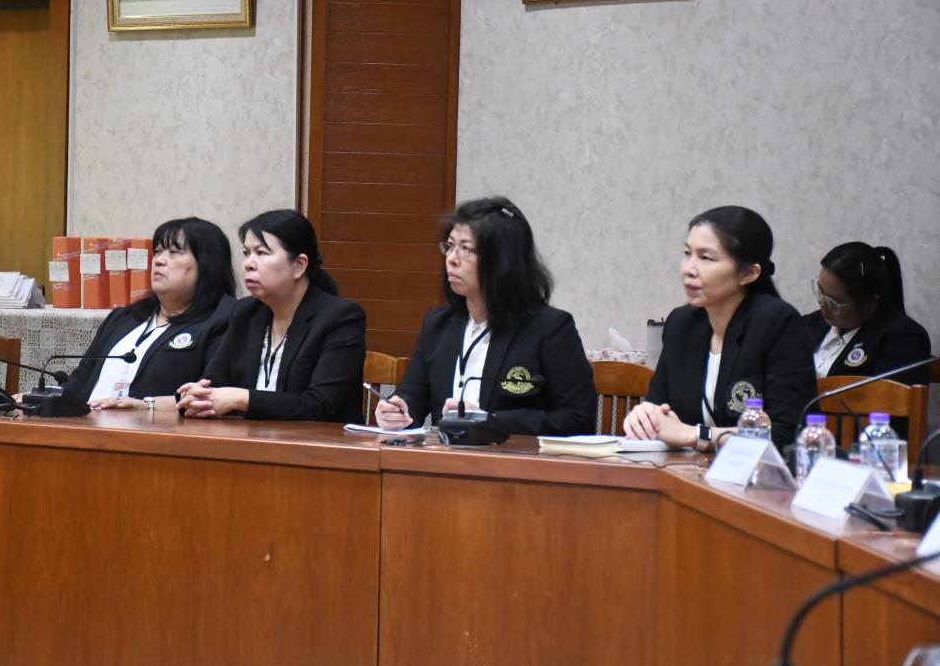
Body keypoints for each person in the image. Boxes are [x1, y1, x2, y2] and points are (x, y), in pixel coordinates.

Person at [374, 197, 596, 436]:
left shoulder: (550, 328)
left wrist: (490, 421)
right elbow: (413, 394)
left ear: (502, 260)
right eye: (450, 246)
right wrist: (398, 410)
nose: (451, 258)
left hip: (511, 458)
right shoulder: (438, 324)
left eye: (467, 249)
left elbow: (577, 419)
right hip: (444, 456)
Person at [623, 206, 815, 451]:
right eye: (687, 253)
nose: (689, 269)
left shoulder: (778, 323)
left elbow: (786, 433)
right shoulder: (681, 324)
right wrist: (645, 419)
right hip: (687, 469)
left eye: (706, 258)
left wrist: (697, 435)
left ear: (748, 273)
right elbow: (660, 409)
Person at [177, 209, 365, 422]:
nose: (248, 264)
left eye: (262, 253)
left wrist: (242, 399)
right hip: (250, 438)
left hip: (319, 441)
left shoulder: (341, 317)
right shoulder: (246, 312)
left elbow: (320, 406)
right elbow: (214, 382)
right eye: (246, 253)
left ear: (299, 265)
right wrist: (197, 396)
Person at [59, 217, 236, 411]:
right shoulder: (124, 317)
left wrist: (144, 406)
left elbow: (210, 397)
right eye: (158, 251)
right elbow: (79, 381)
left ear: (207, 263)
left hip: (157, 428)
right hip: (85, 425)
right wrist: (48, 401)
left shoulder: (224, 319)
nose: (159, 260)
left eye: (174, 252)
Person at [804, 243, 931, 432]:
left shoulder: (903, 339)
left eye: (834, 302)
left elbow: (888, 420)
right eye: (820, 291)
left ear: (870, 303)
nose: (822, 303)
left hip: (854, 443)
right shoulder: (810, 324)